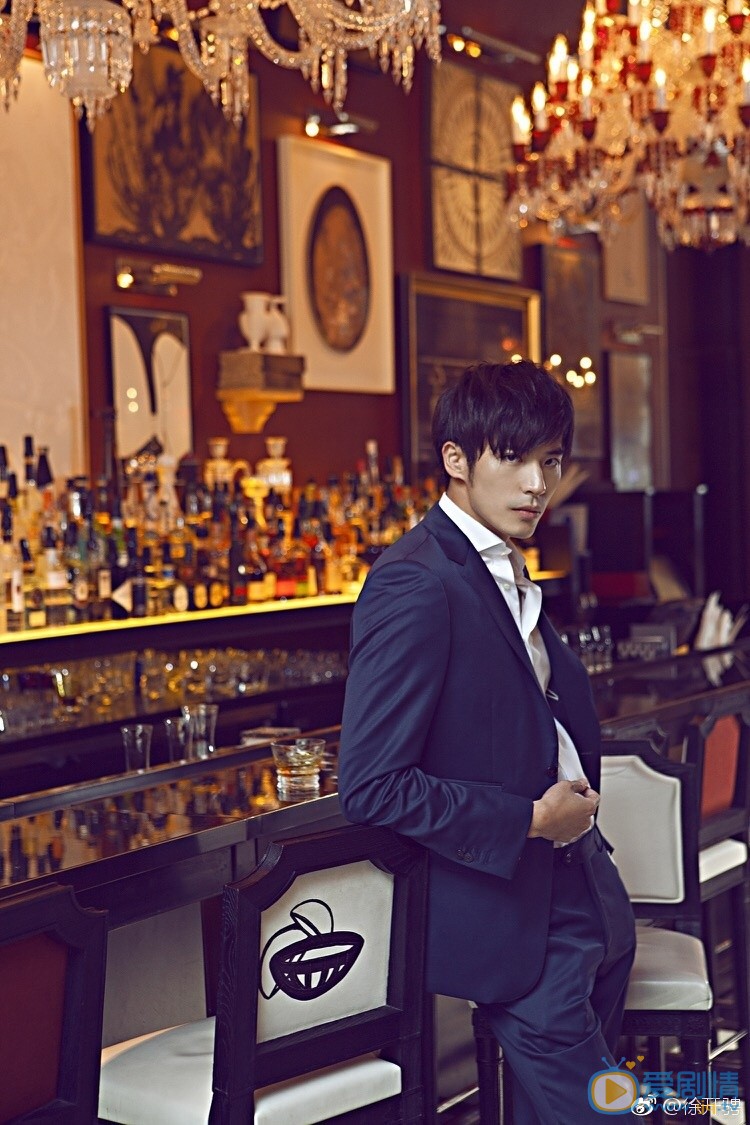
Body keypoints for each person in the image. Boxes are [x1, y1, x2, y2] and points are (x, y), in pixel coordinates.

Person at [337, 359, 636, 1124]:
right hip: (517, 919)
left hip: (583, 888)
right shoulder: (416, 581)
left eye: (551, 460)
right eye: (513, 457)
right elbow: (371, 783)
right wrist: (531, 820)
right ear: (457, 459)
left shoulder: (502, 562)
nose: (538, 483)